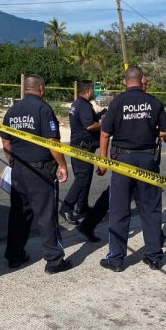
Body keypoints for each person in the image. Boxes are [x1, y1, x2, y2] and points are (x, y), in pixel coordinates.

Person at [76, 75, 166, 245]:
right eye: (144, 83)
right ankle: (155, 239)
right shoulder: (121, 103)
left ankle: (88, 224)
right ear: (136, 82)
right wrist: (103, 159)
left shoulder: (145, 102)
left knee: (122, 196)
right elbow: (108, 132)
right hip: (131, 157)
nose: (145, 86)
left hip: (135, 157)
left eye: (147, 84)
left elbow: (152, 127)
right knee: (143, 201)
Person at [97, 66, 166, 272]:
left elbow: (105, 134)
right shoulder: (153, 102)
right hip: (148, 159)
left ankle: (116, 259)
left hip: (123, 161)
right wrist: (151, 129)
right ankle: (154, 256)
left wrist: (103, 160)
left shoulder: (117, 102)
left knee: (120, 210)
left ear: (124, 82)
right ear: (143, 80)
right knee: (150, 208)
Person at [0, 74, 72, 274]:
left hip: (19, 170)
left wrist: (13, 162)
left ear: (25, 89)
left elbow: (6, 142)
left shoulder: (12, 110)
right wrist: (62, 165)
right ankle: (54, 261)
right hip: (40, 171)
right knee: (46, 215)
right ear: (41, 88)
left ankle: (14, 256)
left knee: (18, 215)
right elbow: (52, 143)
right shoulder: (43, 108)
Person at [59, 80, 103, 225]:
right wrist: (104, 123)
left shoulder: (76, 104)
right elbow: (89, 125)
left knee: (86, 178)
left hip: (83, 147)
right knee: (82, 179)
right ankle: (66, 207)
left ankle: (82, 207)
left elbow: (88, 120)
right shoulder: (83, 105)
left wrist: (101, 114)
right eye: (94, 90)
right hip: (82, 148)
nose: (95, 93)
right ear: (88, 90)